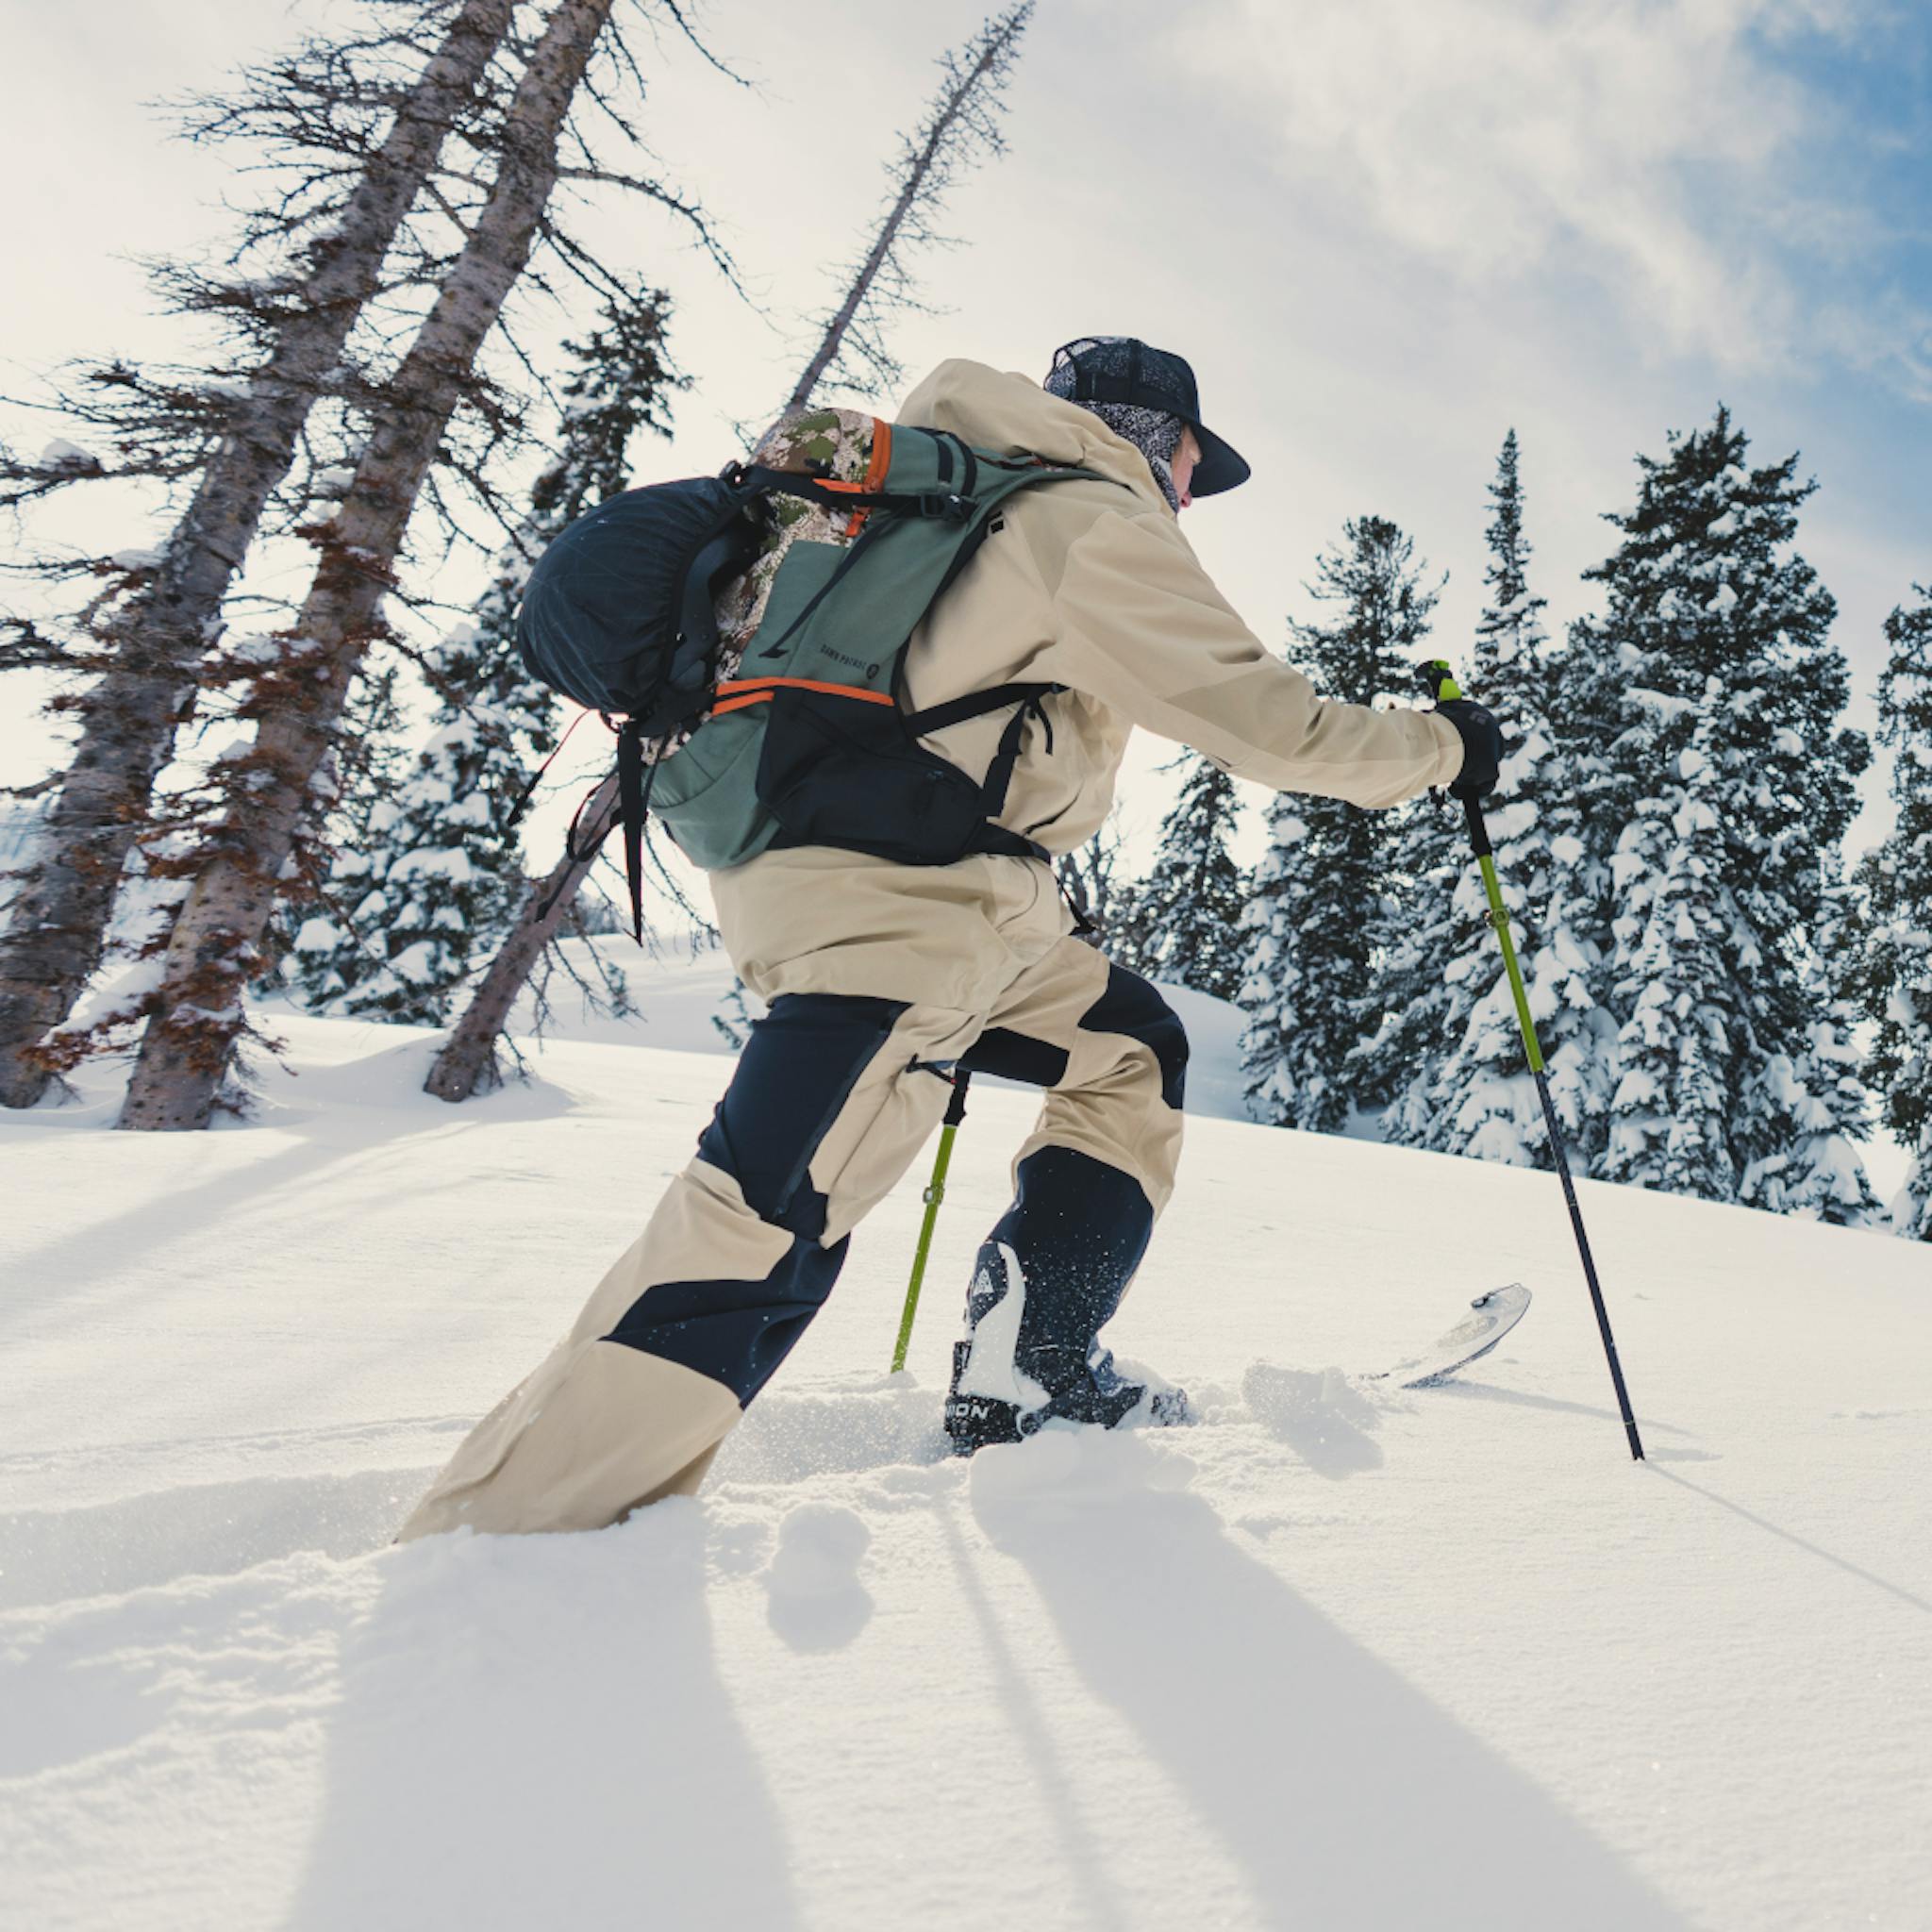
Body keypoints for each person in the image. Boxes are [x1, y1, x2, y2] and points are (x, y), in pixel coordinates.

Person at [397, 336, 1501, 1540]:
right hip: (895, 923)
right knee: (764, 1216)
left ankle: (1031, 1368)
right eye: (1190, 461)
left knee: (1125, 1048)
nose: (1189, 490)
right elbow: (1272, 726)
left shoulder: (941, 502)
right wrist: (1445, 748)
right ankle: (504, 1537)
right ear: (1147, 436)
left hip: (906, 895)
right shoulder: (1083, 517)